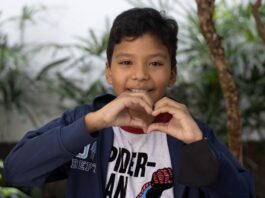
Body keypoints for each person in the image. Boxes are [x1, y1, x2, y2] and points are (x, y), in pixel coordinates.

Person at [4, 7, 255, 198]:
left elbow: (242, 193)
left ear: (172, 74)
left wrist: (197, 146)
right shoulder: (86, 122)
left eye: (155, 63)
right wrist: (92, 123)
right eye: (126, 62)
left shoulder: (190, 132)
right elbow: (16, 171)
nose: (140, 75)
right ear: (109, 72)